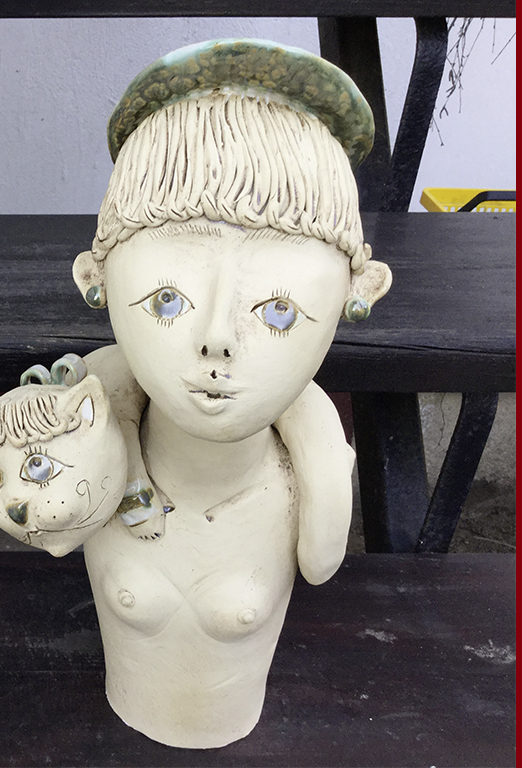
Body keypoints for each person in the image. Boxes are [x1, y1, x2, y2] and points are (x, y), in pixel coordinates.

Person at [67, 39, 392, 748]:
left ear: (357, 295)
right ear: (97, 280)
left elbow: (323, 559)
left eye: (278, 312)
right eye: (167, 302)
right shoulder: (95, 430)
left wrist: (318, 447)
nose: (217, 339)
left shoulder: (307, 473)